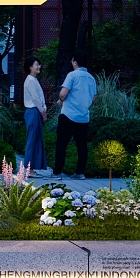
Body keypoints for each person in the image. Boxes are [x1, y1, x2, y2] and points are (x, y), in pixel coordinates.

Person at [54, 50, 97, 180]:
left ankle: (57, 172)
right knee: (82, 146)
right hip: (84, 117)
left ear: (75, 62)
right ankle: (80, 172)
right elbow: (94, 99)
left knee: (62, 144)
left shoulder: (72, 76)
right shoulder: (91, 78)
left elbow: (62, 93)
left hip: (68, 114)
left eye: (72, 61)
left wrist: (61, 101)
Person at [22, 56, 50, 176]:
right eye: (36, 64)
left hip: (34, 111)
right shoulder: (31, 80)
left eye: (39, 64)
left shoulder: (32, 80)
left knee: (35, 140)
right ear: (30, 67)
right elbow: (35, 98)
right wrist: (43, 112)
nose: (39, 67)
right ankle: (28, 169)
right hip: (33, 111)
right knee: (32, 140)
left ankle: (31, 168)